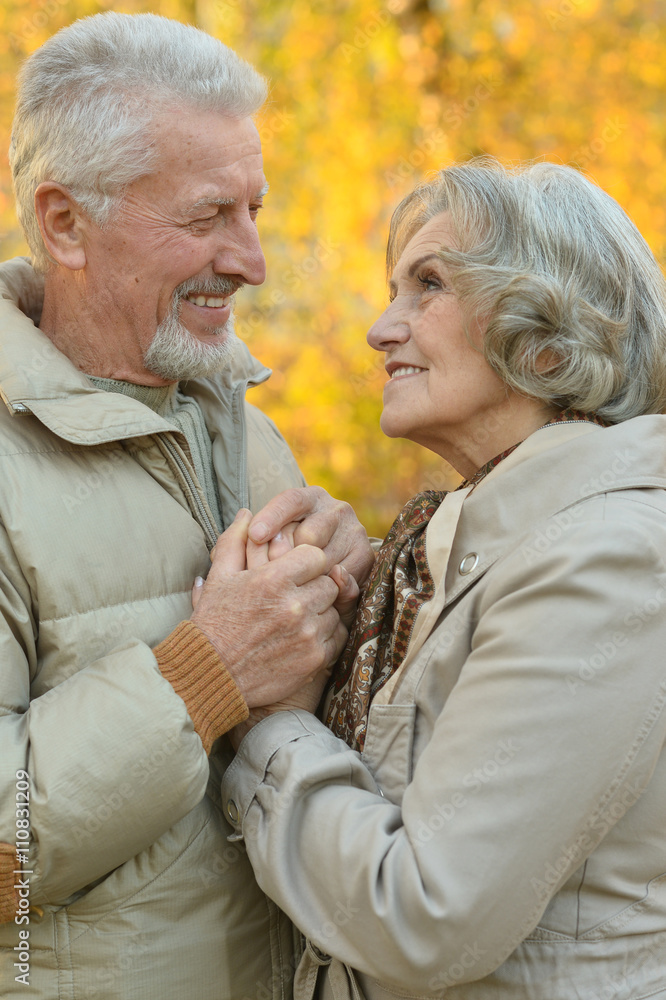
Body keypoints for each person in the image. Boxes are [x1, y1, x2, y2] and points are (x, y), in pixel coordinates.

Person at [220, 159, 666, 999]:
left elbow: (426, 917)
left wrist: (268, 722)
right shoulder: (448, 548)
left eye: (429, 285)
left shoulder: (607, 557)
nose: (379, 329)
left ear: (549, 332)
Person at [0, 13, 372, 999]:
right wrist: (206, 673)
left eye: (254, 210)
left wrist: (346, 586)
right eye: (207, 218)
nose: (251, 260)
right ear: (64, 223)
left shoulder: (249, 429)